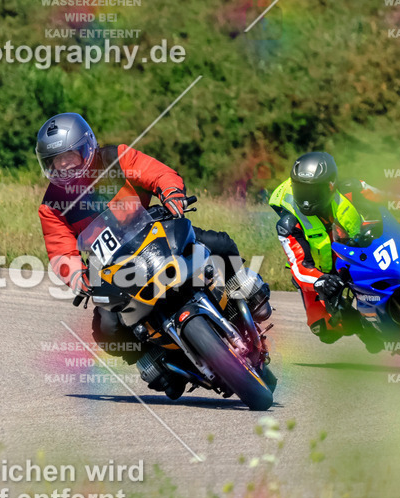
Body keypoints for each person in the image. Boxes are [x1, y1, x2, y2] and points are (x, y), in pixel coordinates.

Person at [35, 112, 253, 390]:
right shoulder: (51, 205)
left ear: (86, 149)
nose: (64, 166)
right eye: (56, 161)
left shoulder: (115, 157)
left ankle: (244, 293)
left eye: (69, 157)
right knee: (107, 329)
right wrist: (77, 277)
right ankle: (158, 362)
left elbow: (156, 173)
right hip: (112, 266)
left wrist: (171, 193)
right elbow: (61, 250)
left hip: (155, 231)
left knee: (219, 243)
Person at [269, 151, 400, 349]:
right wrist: (320, 280)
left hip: (357, 251)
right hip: (321, 273)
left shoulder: (351, 188)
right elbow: (298, 268)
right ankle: (361, 326)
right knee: (323, 329)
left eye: (313, 191)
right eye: (301, 190)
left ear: (331, 185)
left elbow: (389, 198)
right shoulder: (287, 223)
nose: (306, 199)